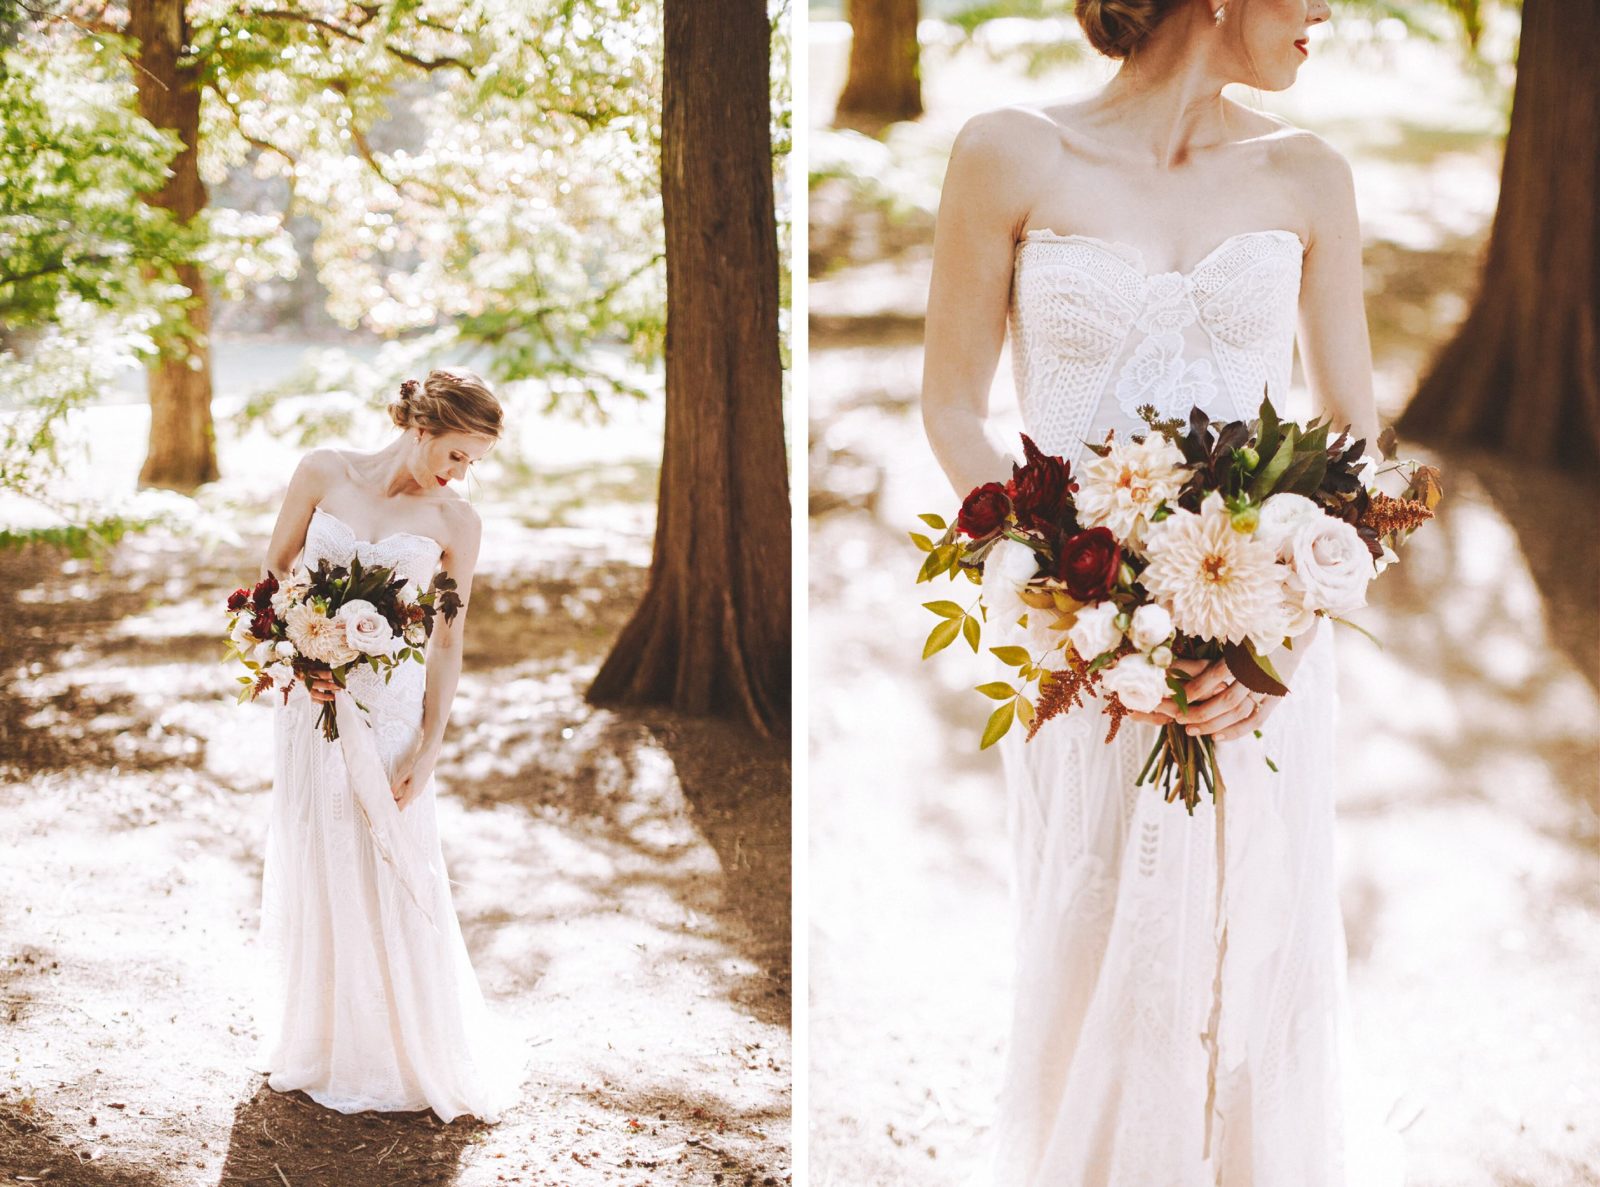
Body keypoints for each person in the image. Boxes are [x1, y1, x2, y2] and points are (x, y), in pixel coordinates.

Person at [920, 0, 1405, 1182]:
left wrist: (1272, 638)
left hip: (1263, 649)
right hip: (1084, 647)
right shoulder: (1009, 150)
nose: (1326, 13)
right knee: (1100, 930)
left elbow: (1356, 437)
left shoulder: (1308, 174)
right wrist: (1063, 591)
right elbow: (949, 403)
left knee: (1255, 944)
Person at [255, 366, 518, 1123]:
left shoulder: (457, 524)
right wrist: (298, 647)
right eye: (460, 453)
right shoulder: (323, 472)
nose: (462, 472)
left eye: (473, 462)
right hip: (314, 700)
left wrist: (429, 746)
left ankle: (401, 1047)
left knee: (390, 857)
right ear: (424, 424)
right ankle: (327, 1035)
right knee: (319, 846)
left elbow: (447, 639)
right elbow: (274, 569)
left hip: (392, 710)